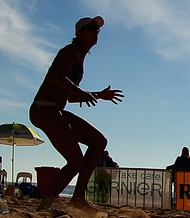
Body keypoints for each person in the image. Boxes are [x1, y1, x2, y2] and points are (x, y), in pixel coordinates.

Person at [28, 16, 123, 213]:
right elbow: (57, 78)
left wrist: (99, 95)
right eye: (91, 28)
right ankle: (47, 204)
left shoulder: (79, 57)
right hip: (44, 109)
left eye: (97, 29)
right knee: (76, 162)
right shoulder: (70, 51)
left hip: (56, 109)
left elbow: (70, 97)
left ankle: (78, 197)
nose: (96, 31)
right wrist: (83, 93)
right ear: (79, 32)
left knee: (98, 141)